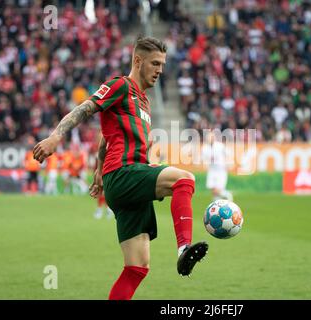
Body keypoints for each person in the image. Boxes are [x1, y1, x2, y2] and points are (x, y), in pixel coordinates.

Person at [32, 36, 208, 300]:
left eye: (162, 64)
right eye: (155, 63)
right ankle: (184, 249)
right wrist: (57, 135)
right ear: (138, 61)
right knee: (184, 180)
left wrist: (98, 169)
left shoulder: (144, 102)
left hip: (122, 179)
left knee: (137, 268)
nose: (160, 70)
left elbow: (106, 138)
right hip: (124, 173)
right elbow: (86, 108)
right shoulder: (120, 85)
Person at [201, 130, 233, 201]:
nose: (210, 139)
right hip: (212, 170)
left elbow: (228, 154)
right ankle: (216, 205)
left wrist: (229, 164)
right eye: (209, 137)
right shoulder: (205, 148)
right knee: (213, 190)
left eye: (212, 137)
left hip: (221, 170)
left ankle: (228, 195)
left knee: (218, 189)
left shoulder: (220, 146)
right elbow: (203, 158)